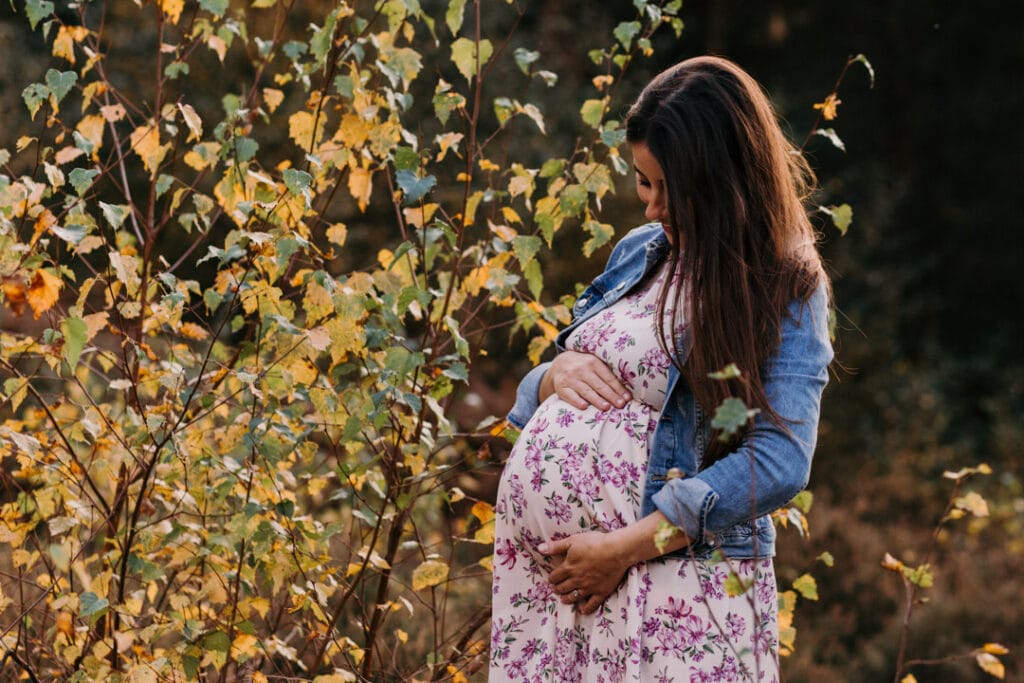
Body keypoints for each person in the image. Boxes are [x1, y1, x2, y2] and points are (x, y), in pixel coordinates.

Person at [488, 55, 834, 682]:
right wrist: (549, 378)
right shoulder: (638, 252)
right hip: (555, 596)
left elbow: (781, 459)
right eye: (645, 184)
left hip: (669, 587)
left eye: (672, 190)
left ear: (728, 180)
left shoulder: (786, 284)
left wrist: (622, 548)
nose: (652, 208)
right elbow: (550, 380)